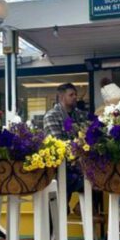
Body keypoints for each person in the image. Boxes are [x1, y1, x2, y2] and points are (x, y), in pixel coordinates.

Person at [43, 83, 87, 213]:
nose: (75, 98)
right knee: (57, 213)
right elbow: (59, 144)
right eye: (71, 95)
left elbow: (89, 135)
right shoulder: (51, 116)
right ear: (61, 97)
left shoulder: (79, 115)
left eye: (75, 95)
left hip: (77, 167)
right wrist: (81, 143)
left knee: (97, 179)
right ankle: (54, 226)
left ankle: (82, 207)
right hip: (59, 169)